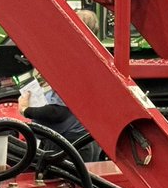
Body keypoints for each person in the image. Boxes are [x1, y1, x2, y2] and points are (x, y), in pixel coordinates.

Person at [19, 9, 104, 162]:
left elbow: (58, 112)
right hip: (86, 140)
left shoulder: (72, 63)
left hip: (68, 143)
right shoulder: (92, 59)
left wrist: (25, 110)